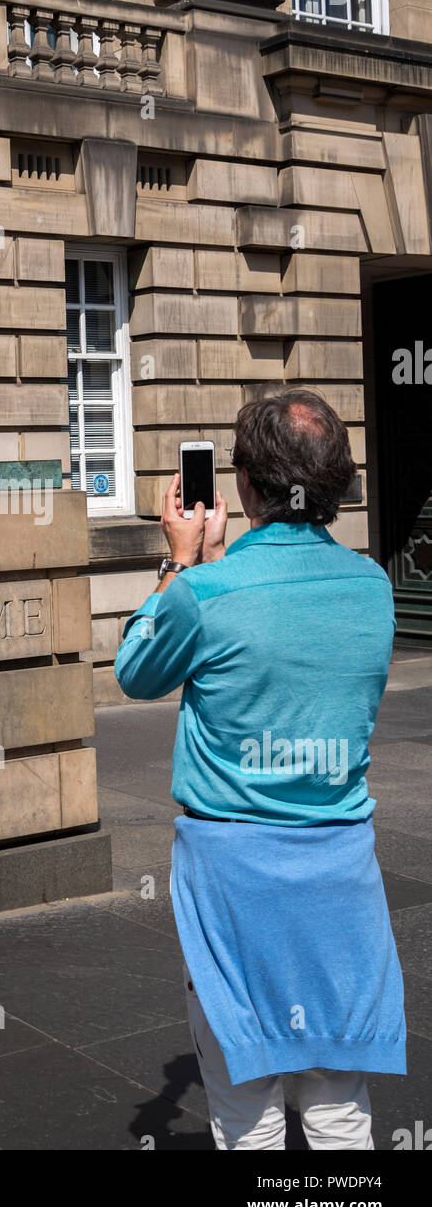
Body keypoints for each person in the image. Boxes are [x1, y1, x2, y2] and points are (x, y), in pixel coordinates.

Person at [115, 389, 406, 1149]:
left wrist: (181, 564)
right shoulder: (373, 587)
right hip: (339, 867)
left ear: (244, 485)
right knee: (339, 1101)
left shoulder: (205, 594)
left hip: (235, 874)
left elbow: (137, 672)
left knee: (243, 1103)